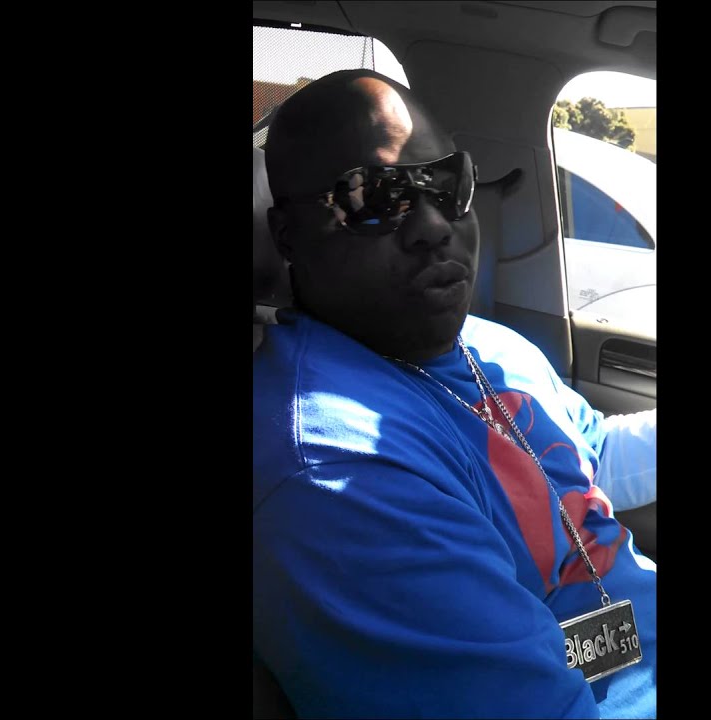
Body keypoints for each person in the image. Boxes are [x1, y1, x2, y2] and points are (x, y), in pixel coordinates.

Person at [253, 69, 658, 719]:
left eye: (446, 184)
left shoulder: (488, 342)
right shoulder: (334, 473)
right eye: (375, 197)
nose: (434, 225)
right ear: (287, 237)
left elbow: (586, 458)